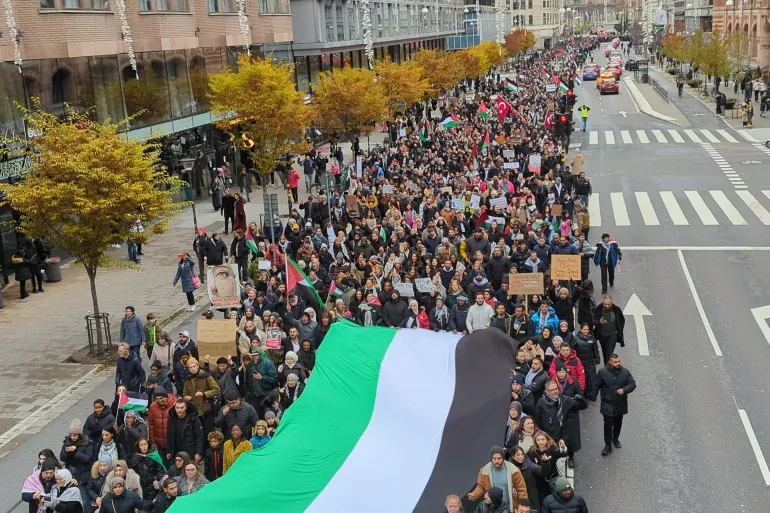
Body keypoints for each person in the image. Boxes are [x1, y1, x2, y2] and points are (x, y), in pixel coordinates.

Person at [589, 354, 636, 456]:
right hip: (607, 403)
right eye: (615, 362)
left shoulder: (625, 372)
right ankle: (608, 445)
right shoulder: (603, 372)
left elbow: (632, 384)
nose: (618, 363)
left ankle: (616, 438)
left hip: (620, 403)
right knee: (608, 424)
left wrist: (624, 390)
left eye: (619, 361)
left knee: (618, 423)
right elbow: (596, 385)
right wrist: (593, 398)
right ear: (610, 362)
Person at [467, 446, 528, 510]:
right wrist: (475, 494)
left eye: (499, 458)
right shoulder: (484, 471)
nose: (496, 461)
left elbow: (522, 490)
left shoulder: (514, 470)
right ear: (491, 459)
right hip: (492, 508)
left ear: (503, 458)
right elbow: (480, 487)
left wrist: (523, 507)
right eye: (494, 458)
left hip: (510, 507)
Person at [592, 296, 625, 365]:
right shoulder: (598, 309)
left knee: (609, 353)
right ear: (603, 302)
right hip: (602, 335)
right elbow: (592, 321)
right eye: (605, 304)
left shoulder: (616, 309)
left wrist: (619, 329)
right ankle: (606, 367)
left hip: (612, 335)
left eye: (609, 304)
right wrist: (599, 322)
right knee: (604, 352)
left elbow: (622, 320)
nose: (607, 306)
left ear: (611, 302)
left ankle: (608, 367)